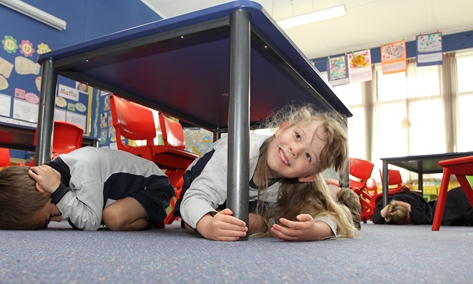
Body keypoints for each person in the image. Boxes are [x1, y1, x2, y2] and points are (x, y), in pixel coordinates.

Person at [173, 104, 360, 241]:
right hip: (202, 177)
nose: (295, 150)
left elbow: (331, 215)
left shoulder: (297, 182)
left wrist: (315, 231)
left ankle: (244, 218)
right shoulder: (237, 152)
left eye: (308, 156)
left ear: (307, 176)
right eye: (297, 136)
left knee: (256, 221)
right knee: (193, 222)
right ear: (282, 128)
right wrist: (208, 226)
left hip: (247, 198)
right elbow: (195, 197)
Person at [0, 147, 175, 231]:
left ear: (44, 188)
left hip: (154, 187)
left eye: (49, 216)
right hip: (128, 193)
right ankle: (140, 213)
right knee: (104, 214)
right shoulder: (63, 175)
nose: (57, 217)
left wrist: (60, 194)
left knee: (112, 218)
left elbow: (91, 221)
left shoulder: (83, 169)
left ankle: (151, 219)